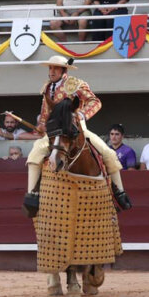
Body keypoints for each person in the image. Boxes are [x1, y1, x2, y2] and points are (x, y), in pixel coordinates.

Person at [22, 56, 131, 213]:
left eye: (55, 68)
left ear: (63, 70)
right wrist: (41, 126)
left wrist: (81, 115)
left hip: (76, 129)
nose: (51, 71)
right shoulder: (47, 88)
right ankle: (32, 196)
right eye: (50, 68)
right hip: (54, 132)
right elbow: (45, 114)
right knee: (35, 152)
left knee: (108, 153)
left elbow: (95, 102)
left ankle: (119, 192)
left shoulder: (74, 84)